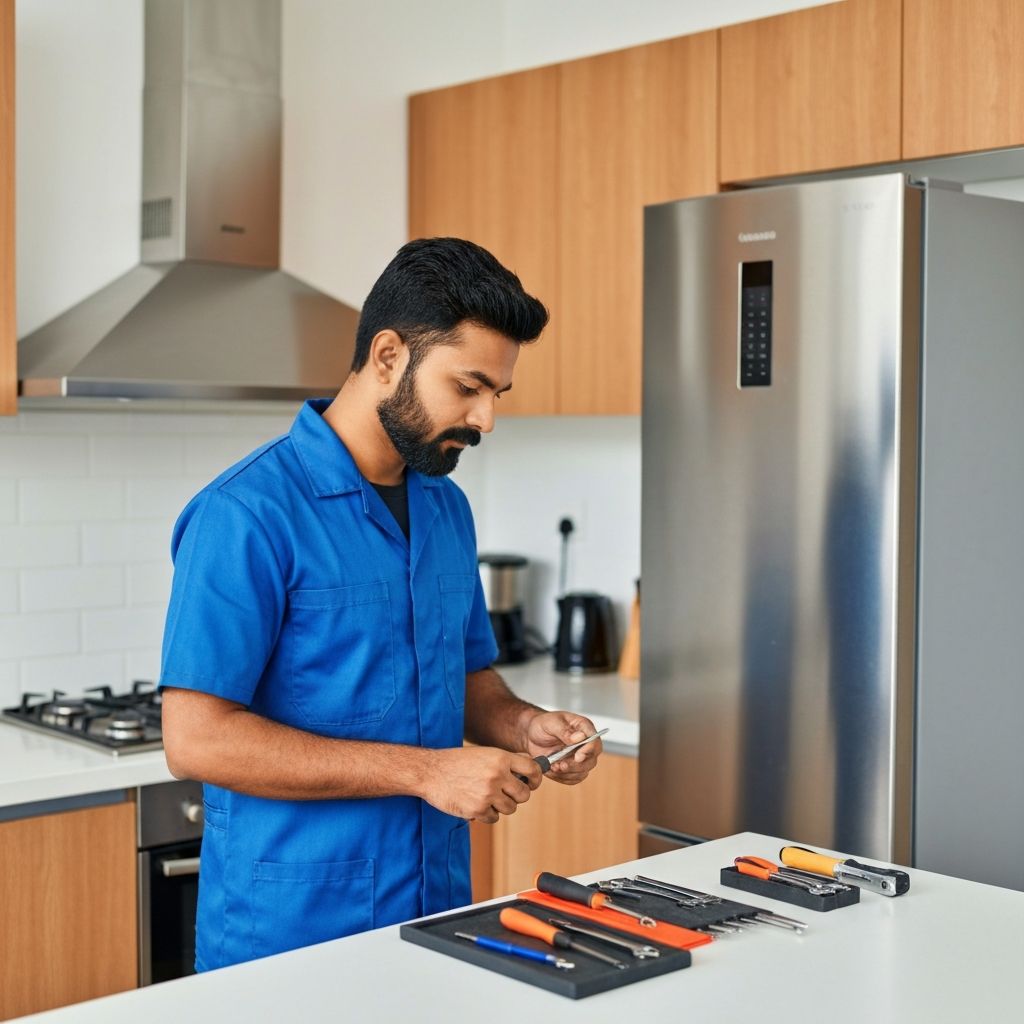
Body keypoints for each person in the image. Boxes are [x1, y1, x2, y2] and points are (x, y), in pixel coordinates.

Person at [159, 237, 603, 971]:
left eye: (497, 394)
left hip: (438, 912)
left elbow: (464, 677)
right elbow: (196, 740)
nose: (486, 419)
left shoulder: (447, 510)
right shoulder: (245, 515)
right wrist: (430, 772)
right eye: (467, 387)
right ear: (389, 356)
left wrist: (524, 725)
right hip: (291, 938)